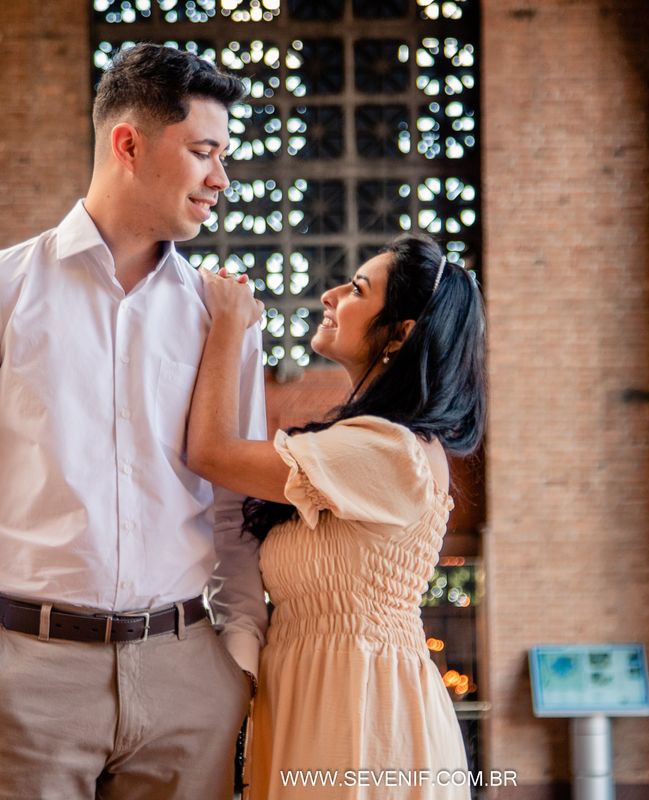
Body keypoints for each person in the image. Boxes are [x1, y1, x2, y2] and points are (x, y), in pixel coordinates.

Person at [0, 44, 267, 799]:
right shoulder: (9, 293)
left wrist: (236, 663)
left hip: (186, 673)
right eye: (204, 152)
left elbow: (235, 507)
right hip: (27, 676)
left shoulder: (225, 318)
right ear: (128, 144)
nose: (221, 178)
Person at [187, 235, 486, 798]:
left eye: (356, 289)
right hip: (314, 692)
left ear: (400, 333)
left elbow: (210, 454)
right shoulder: (362, 443)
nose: (329, 294)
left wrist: (227, 325)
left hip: (363, 715)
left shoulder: (388, 451)